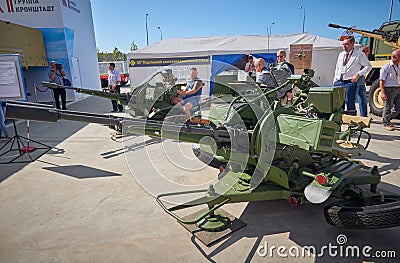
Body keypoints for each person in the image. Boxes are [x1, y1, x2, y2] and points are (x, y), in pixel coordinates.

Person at [333, 37, 371, 115]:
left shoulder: (359, 54)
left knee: (350, 104)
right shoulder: (341, 54)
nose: (344, 46)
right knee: (338, 104)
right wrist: (334, 81)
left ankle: (351, 124)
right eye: (343, 44)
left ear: (353, 44)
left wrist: (358, 74)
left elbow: (368, 66)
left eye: (346, 44)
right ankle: (338, 123)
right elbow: (337, 68)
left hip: (350, 82)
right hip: (338, 82)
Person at [379, 49, 400, 131]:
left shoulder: (399, 66)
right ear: (394, 57)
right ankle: (386, 123)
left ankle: (387, 118)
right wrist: (383, 92)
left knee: (398, 108)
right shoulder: (386, 68)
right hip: (389, 89)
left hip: (398, 88)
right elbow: (381, 81)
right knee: (388, 106)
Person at [356, 46, 371, 117]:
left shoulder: (365, 59)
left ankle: (364, 115)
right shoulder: (358, 57)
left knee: (363, 98)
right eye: (364, 51)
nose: (366, 53)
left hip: (361, 81)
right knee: (352, 98)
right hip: (356, 80)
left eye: (367, 51)